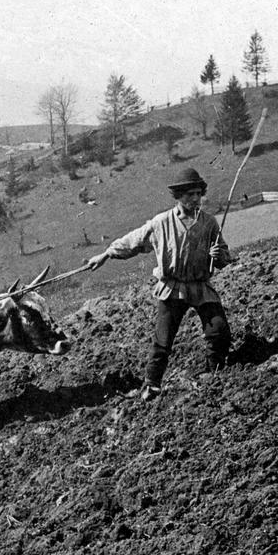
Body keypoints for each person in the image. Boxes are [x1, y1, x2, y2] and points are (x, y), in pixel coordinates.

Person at [86, 166, 234, 400]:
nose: (195, 199)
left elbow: (224, 258)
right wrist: (105, 255)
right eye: (189, 195)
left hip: (200, 286)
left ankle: (214, 373)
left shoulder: (209, 223)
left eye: (198, 194)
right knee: (163, 340)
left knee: (219, 331)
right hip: (172, 287)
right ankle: (151, 384)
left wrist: (219, 255)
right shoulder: (161, 223)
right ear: (178, 196)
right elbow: (133, 241)